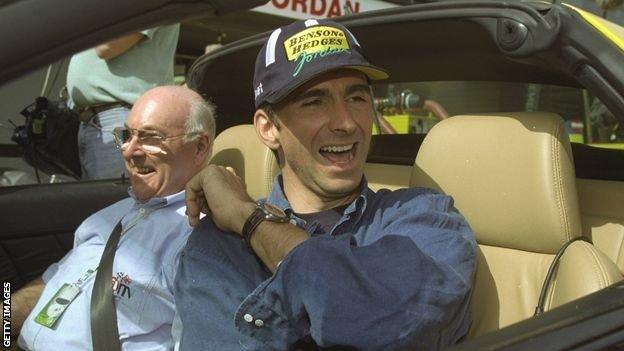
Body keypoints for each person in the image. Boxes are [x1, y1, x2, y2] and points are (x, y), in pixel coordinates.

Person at [174, 19, 477, 350]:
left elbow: (394, 328)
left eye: (357, 98)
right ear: (268, 128)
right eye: (314, 101)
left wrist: (252, 220)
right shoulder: (219, 244)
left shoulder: (424, 218)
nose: (346, 122)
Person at [15, 85, 215, 350]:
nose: (129, 151)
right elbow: (50, 283)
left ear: (200, 147)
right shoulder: (108, 216)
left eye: (149, 137)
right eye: (126, 135)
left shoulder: (199, 239)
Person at [67, 24, 180, 180]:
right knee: (103, 201)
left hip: (119, 121)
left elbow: (106, 47)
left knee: (115, 200)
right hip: (99, 122)